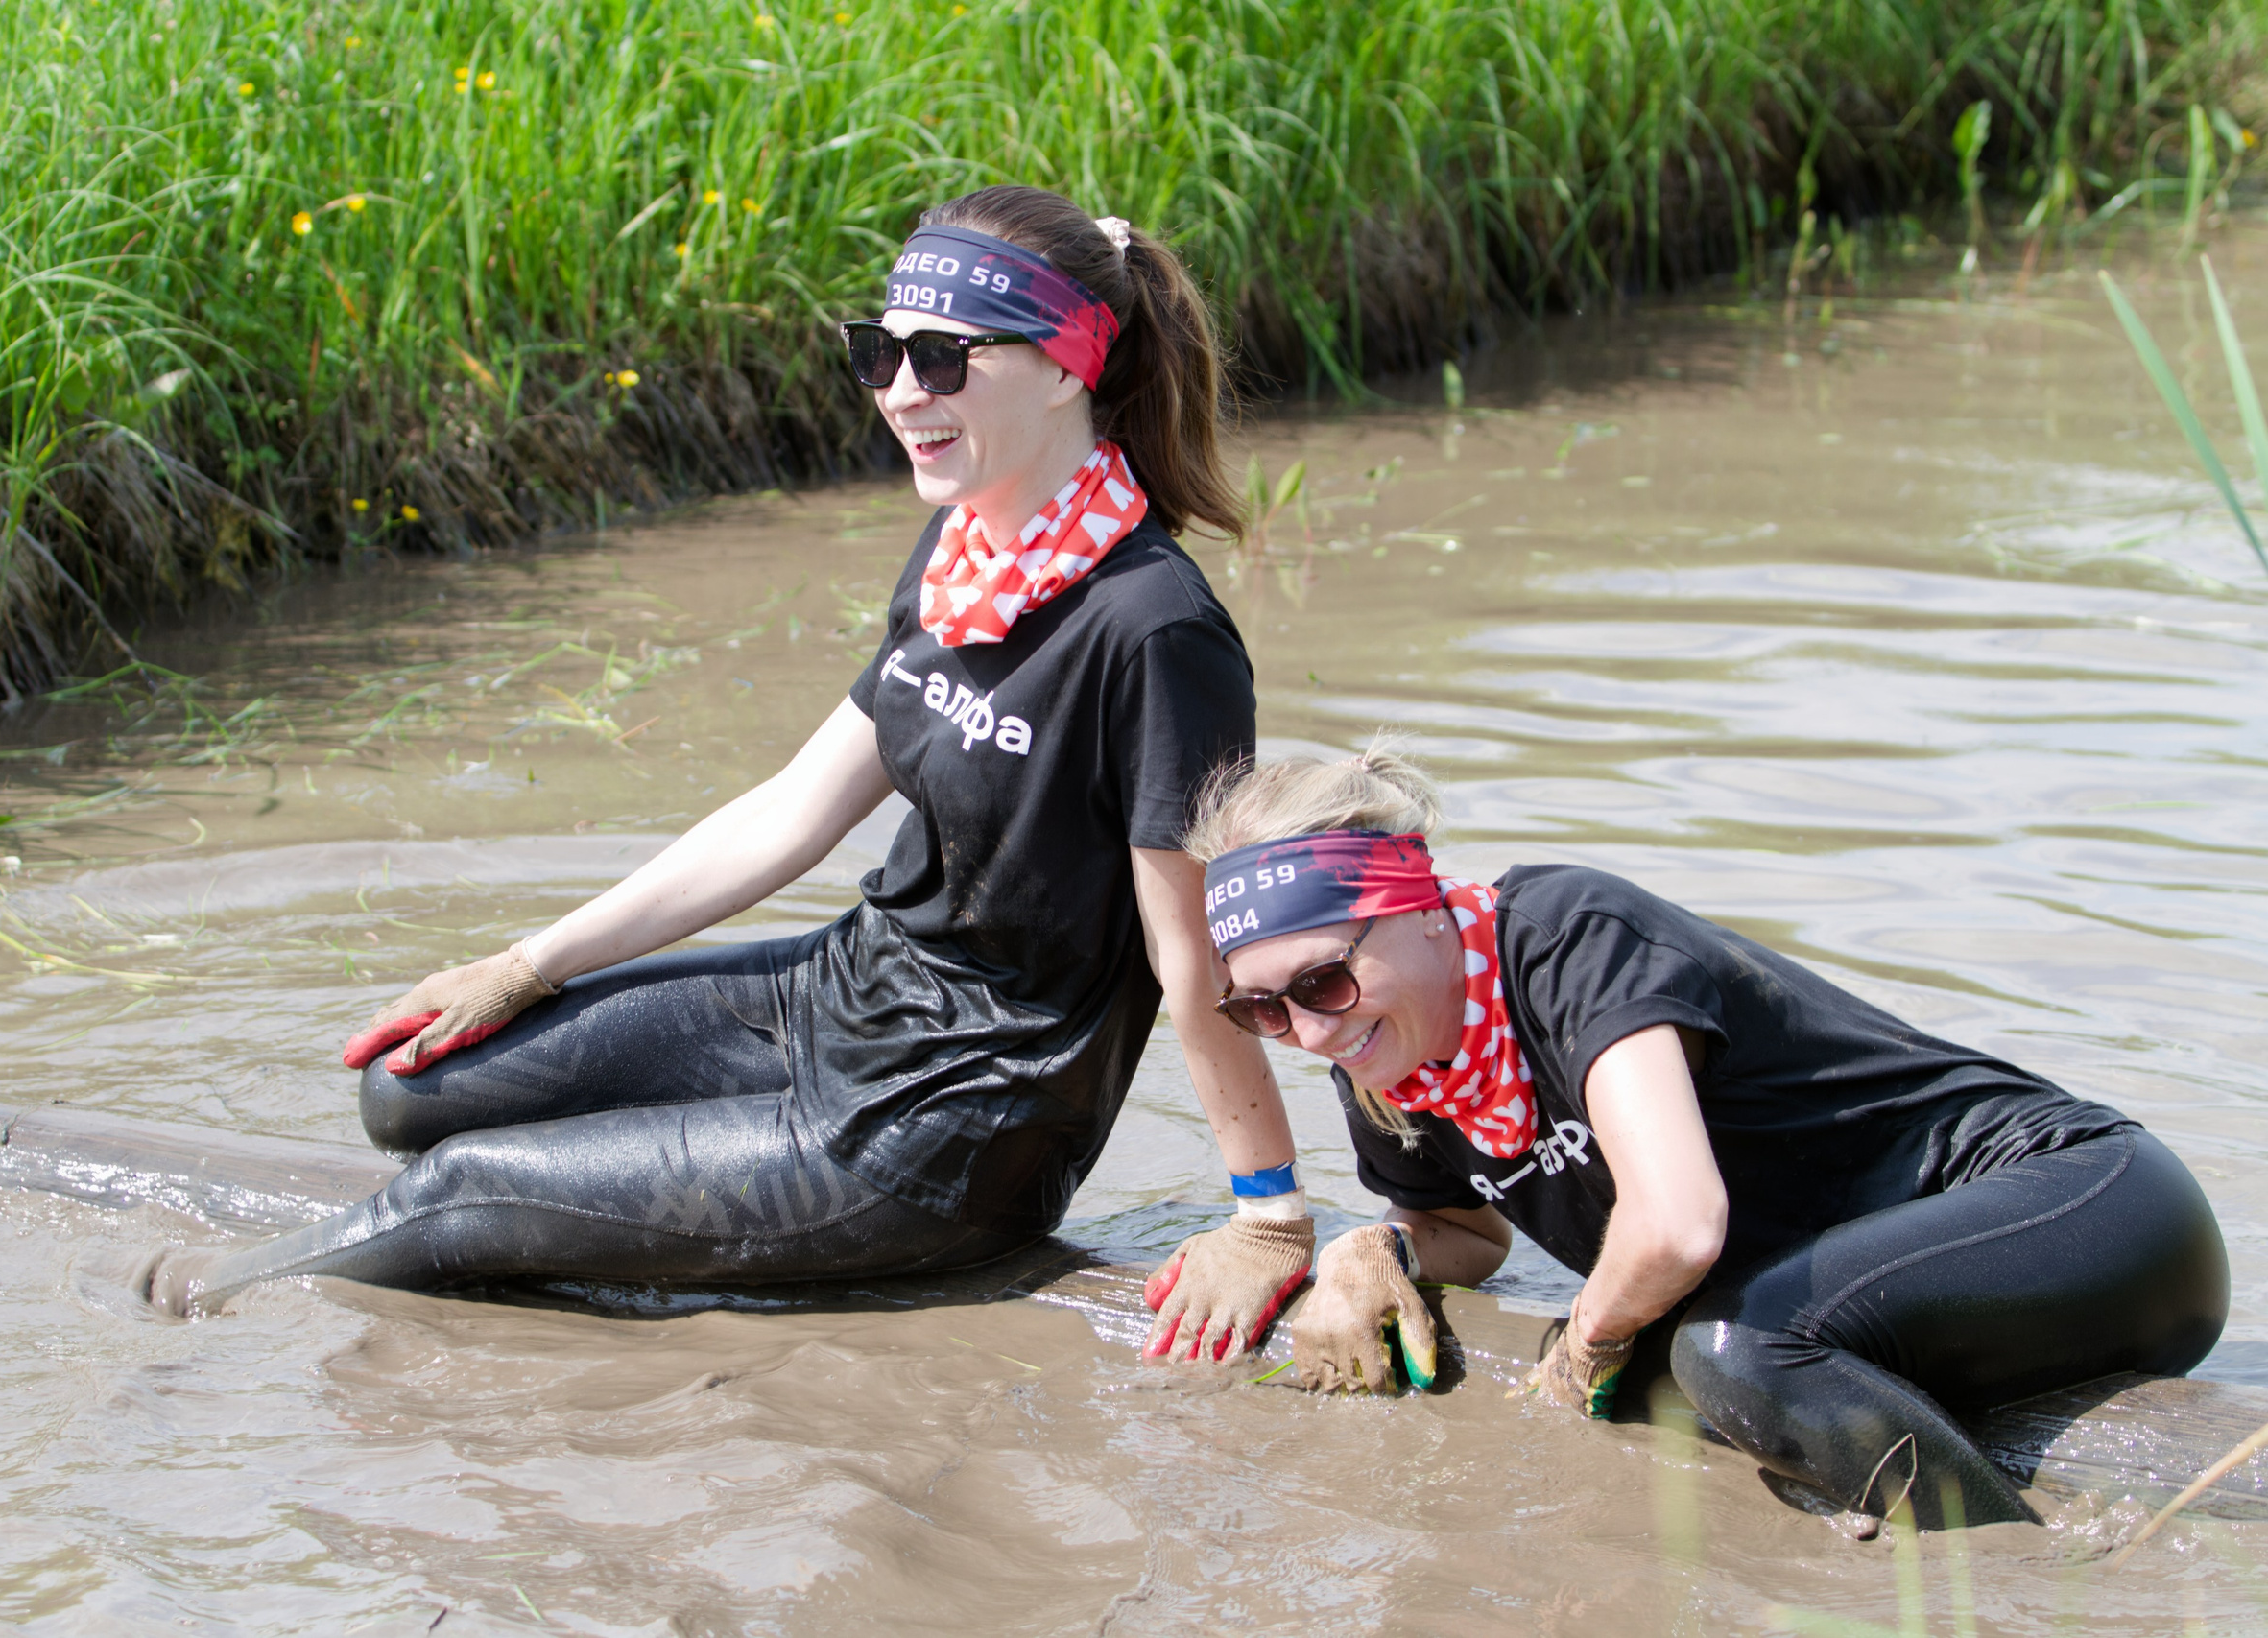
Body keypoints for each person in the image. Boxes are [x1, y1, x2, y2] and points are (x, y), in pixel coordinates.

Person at [146, 185, 1316, 1363]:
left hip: (952, 1127)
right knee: (410, 1093)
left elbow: (1186, 955)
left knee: (453, 1191)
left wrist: (1266, 1214)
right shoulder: (968, 548)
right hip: (837, 1002)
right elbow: (789, 813)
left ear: (1067, 366)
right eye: (881, 353)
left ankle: (187, 1313)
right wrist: (523, 967)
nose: (901, 393)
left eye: (944, 359)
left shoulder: (1155, 631)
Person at [1185, 748, 2229, 1530]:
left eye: (1325, 979)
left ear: (1418, 907)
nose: (1308, 1030)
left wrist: (1577, 1353)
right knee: (1682, 1367)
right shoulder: (1388, 1056)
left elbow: (1678, 1226)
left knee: (1723, 1351)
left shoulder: (1566, 937)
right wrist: (1373, 1251)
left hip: (2092, 1206)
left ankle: (2011, 1581)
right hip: (1877, 1314)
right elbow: (1467, 1230)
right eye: (1262, 1010)